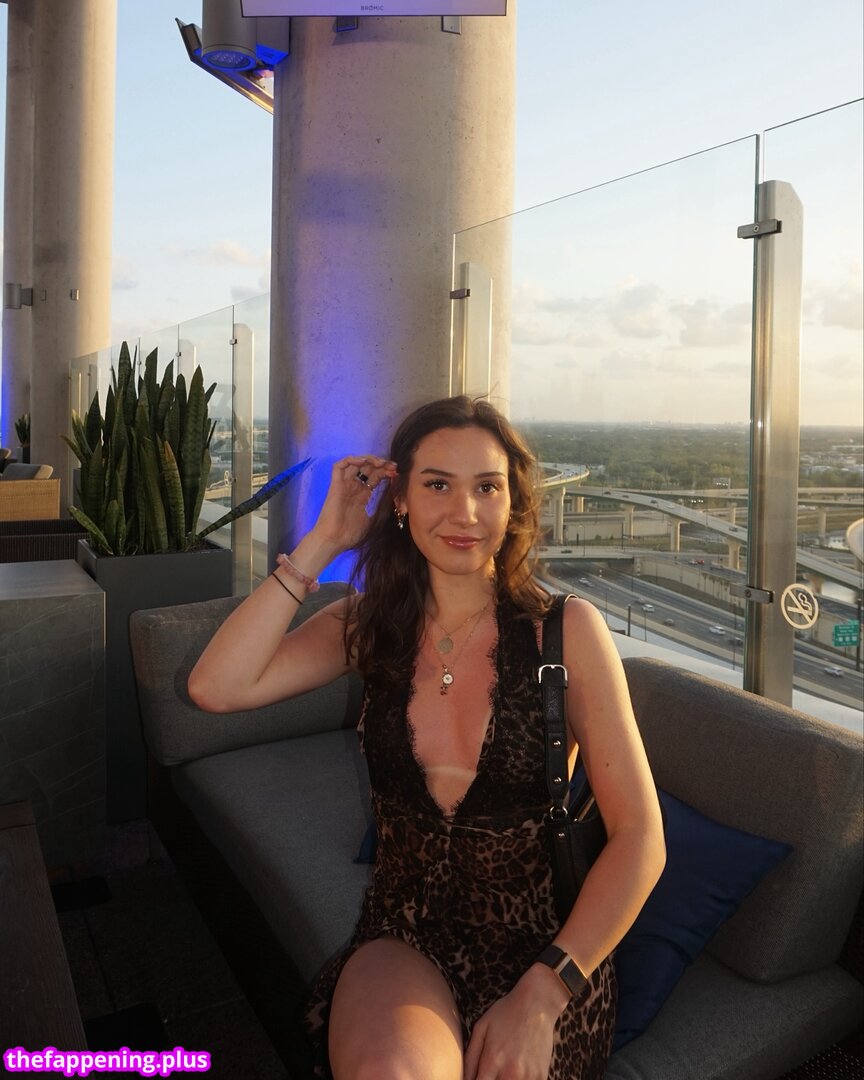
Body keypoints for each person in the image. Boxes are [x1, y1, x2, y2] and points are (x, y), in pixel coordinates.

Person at [189, 395, 665, 1080]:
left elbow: (640, 837)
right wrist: (325, 540)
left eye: (487, 487)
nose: (464, 513)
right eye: (438, 484)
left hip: (545, 951)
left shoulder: (564, 635)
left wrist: (545, 991)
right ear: (401, 499)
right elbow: (217, 688)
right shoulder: (368, 626)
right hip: (403, 933)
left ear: (512, 504)